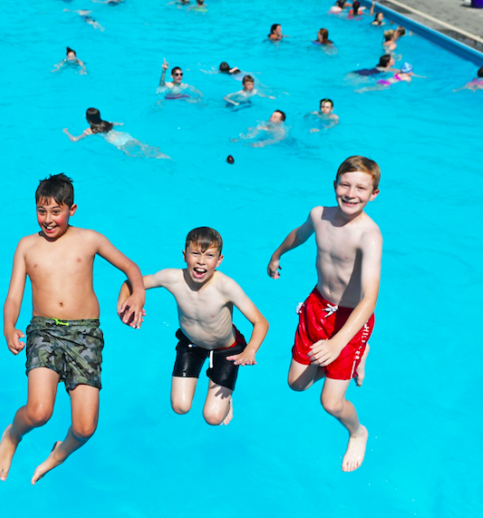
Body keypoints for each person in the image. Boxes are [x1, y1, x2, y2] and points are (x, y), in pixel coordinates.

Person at [0, 174, 145, 484]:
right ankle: (12, 435)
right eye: (41, 211)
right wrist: (9, 326)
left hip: (85, 335)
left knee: (86, 428)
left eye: (55, 211)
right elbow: (13, 296)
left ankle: (58, 454)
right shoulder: (27, 246)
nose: (48, 219)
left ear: (72, 209)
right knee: (38, 412)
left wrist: (138, 297)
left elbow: (131, 269)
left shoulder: (90, 240)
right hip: (43, 331)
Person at [266, 156, 382, 472]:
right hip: (318, 307)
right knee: (296, 384)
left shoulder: (369, 235)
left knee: (330, 403)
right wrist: (277, 255)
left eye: (361, 188)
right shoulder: (320, 215)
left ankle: (358, 432)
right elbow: (299, 234)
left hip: (351, 320)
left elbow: (369, 299)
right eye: (345, 184)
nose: (351, 193)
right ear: (334, 186)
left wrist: (338, 344)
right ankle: (356, 353)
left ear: (374, 195)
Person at [116, 227, 268, 425]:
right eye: (195, 253)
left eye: (209, 256)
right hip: (192, 343)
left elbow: (261, 322)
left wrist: (251, 350)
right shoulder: (172, 278)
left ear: (219, 260)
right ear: (184, 255)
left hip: (226, 349)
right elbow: (130, 283)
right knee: (180, 407)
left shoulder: (226, 287)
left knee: (213, 418)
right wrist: (126, 304)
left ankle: (227, 399)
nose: (201, 261)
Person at [63, 108, 168, 158]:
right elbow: (119, 124)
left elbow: (75, 140)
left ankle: (157, 158)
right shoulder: (106, 122)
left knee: (138, 155)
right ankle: (163, 155)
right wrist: (121, 124)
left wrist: (67, 133)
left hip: (115, 141)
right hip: (123, 135)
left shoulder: (89, 130)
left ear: (88, 118)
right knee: (144, 147)